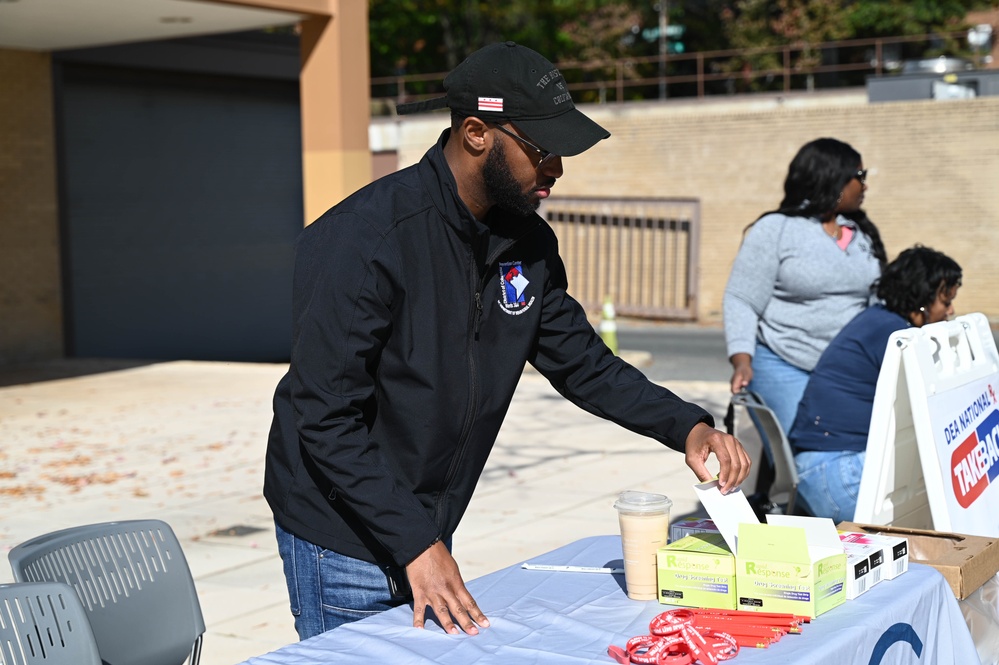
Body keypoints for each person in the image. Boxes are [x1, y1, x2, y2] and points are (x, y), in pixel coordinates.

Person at [263, 41, 752, 641]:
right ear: (476, 134)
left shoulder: (526, 244)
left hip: (424, 525)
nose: (557, 169)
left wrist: (686, 426)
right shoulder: (366, 238)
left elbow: (583, 364)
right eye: (543, 151)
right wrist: (417, 542)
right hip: (340, 538)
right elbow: (324, 415)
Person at [723, 138, 887, 436]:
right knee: (807, 451)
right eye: (860, 177)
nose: (865, 186)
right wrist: (742, 360)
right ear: (833, 178)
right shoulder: (777, 229)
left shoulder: (861, 233)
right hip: (785, 363)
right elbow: (741, 299)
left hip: (846, 370)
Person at [790, 245, 962, 522]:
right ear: (922, 299)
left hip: (821, 470)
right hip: (838, 474)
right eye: (946, 301)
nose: (951, 310)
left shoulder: (878, 321)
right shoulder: (896, 337)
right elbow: (938, 405)